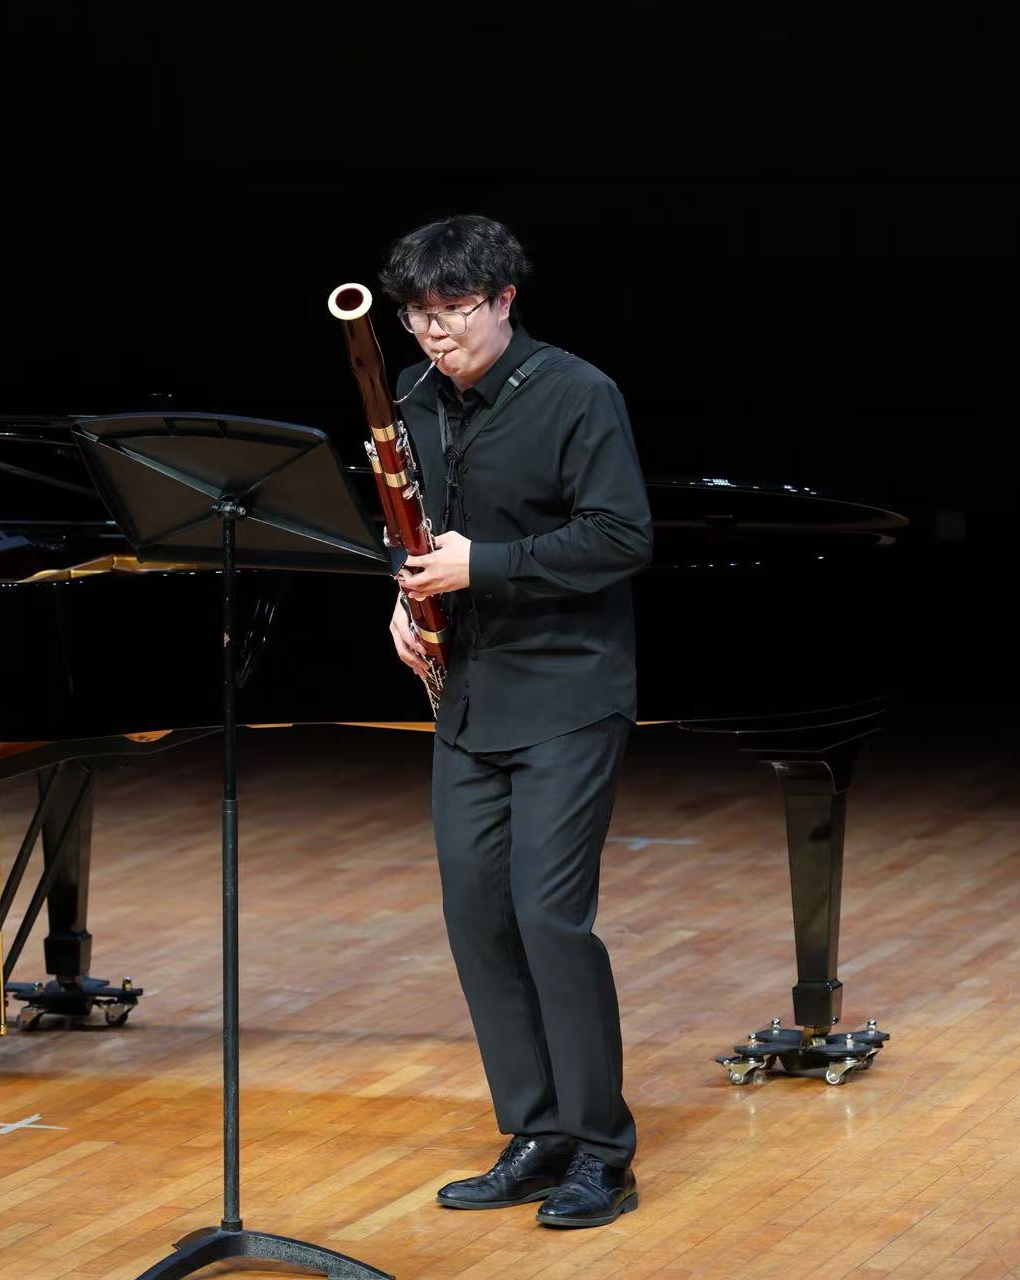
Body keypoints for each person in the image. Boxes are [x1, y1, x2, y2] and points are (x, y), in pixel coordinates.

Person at [382, 215, 652, 1227]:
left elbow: (621, 535)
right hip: (469, 694)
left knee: (548, 917)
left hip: (568, 692)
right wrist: (403, 593)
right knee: (477, 917)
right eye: (418, 313)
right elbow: (409, 527)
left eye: (454, 309)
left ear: (503, 300)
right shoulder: (412, 396)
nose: (433, 332)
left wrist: (481, 565)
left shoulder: (578, 392)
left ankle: (602, 1151)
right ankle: (536, 1133)